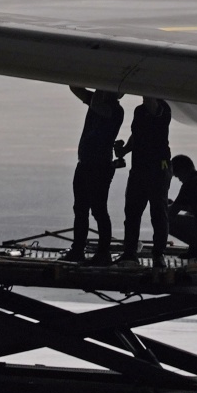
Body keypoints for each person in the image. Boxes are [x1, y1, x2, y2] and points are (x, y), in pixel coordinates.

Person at [66, 87, 125, 264]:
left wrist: (99, 81)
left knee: (98, 210)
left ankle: (103, 252)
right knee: (81, 209)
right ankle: (78, 250)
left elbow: (96, 102)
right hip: (85, 164)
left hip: (99, 166)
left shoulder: (114, 110)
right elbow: (74, 88)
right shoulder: (97, 102)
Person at [117, 95, 173, 264]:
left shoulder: (162, 109)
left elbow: (151, 103)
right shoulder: (140, 111)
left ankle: (158, 254)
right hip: (139, 167)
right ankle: (130, 253)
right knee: (133, 212)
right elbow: (136, 135)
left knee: (157, 212)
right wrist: (125, 150)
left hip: (158, 167)